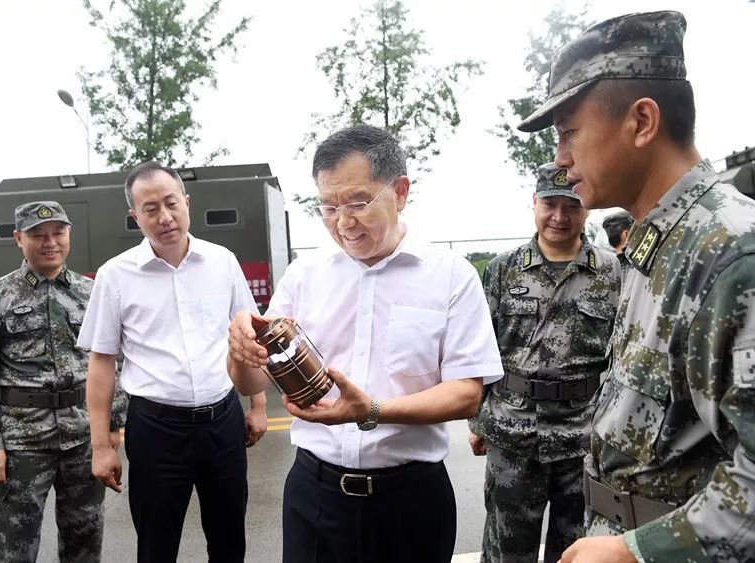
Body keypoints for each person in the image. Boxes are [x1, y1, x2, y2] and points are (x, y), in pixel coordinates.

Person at [518, 10, 755, 563]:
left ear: (642, 122)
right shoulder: (659, 244)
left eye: (568, 133)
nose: (561, 159)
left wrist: (638, 552)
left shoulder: (727, 254)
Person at [227, 124, 504, 563]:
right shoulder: (306, 275)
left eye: (358, 202)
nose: (343, 222)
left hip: (410, 502)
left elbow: (467, 394)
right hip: (315, 497)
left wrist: (373, 410)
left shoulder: (450, 275)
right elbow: (250, 382)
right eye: (328, 206)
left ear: (400, 191)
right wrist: (240, 347)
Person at [78, 161, 267, 563]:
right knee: (157, 544)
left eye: (171, 203)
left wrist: (258, 406)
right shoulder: (116, 275)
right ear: (135, 216)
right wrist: (100, 446)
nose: (164, 217)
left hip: (223, 421)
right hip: (156, 429)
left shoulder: (222, 262)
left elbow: (250, 336)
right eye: (150, 209)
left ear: (187, 201)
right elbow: (101, 362)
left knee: (230, 539)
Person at [0, 201, 127, 562]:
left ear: (69, 235)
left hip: (83, 437)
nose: (49, 242)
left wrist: (113, 425)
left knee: (85, 540)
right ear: (20, 239)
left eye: (58, 233)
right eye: (37, 235)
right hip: (22, 442)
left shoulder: (90, 293)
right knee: (13, 545)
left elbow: (112, 361)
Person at [468, 163, 620, 563]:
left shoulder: (612, 270)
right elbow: (482, 349)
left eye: (571, 206)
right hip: (513, 432)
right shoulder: (504, 269)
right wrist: (476, 420)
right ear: (534, 203)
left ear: (585, 209)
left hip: (583, 437)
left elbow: (622, 355)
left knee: (577, 549)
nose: (559, 217)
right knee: (507, 551)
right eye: (550, 204)